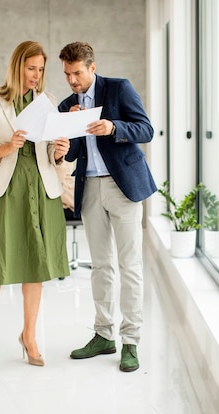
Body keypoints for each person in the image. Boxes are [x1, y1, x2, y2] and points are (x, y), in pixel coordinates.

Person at [0, 41, 70, 375]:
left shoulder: (47, 101)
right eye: (31, 69)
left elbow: (51, 156)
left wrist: (59, 149)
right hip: (4, 191)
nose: (36, 76)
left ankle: (29, 335)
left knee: (36, 267)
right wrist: (5, 146)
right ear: (17, 67)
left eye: (41, 70)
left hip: (40, 190)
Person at [58, 41, 156, 372]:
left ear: (92, 67)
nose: (72, 81)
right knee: (101, 265)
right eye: (67, 74)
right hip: (88, 187)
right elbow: (69, 154)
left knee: (130, 265)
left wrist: (114, 127)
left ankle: (131, 341)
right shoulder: (66, 104)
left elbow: (146, 130)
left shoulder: (118, 89)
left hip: (122, 185)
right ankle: (103, 335)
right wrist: (64, 140)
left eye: (77, 73)